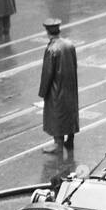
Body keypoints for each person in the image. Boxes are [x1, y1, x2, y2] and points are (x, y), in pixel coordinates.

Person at [39, 19, 79, 154]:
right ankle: (70, 140)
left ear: (47, 32)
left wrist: (43, 91)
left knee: (57, 115)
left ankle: (58, 143)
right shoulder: (69, 45)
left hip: (56, 88)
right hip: (70, 85)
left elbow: (47, 73)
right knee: (70, 112)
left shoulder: (51, 49)